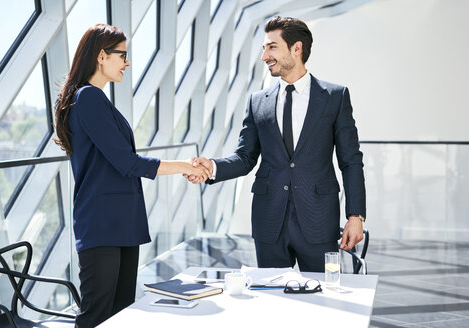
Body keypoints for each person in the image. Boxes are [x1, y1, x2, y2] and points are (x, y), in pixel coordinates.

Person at [53, 24, 209, 328]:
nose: (127, 62)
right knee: (97, 315)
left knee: (120, 314)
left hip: (119, 222)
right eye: (121, 55)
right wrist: (185, 166)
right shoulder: (88, 98)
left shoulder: (94, 99)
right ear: (101, 56)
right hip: (102, 224)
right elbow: (127, 162)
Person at [187, 16, 366, 272]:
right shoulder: (257, 101)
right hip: (269, 221)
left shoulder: (335, 97)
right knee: (270, 301)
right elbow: (246, 157)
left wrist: (355, 216)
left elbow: (350, 161)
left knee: (323, 300)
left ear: (296, 49)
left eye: (271, 47)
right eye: (263, 48)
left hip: (318, 220)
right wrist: (212, 167)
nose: (264, 56)